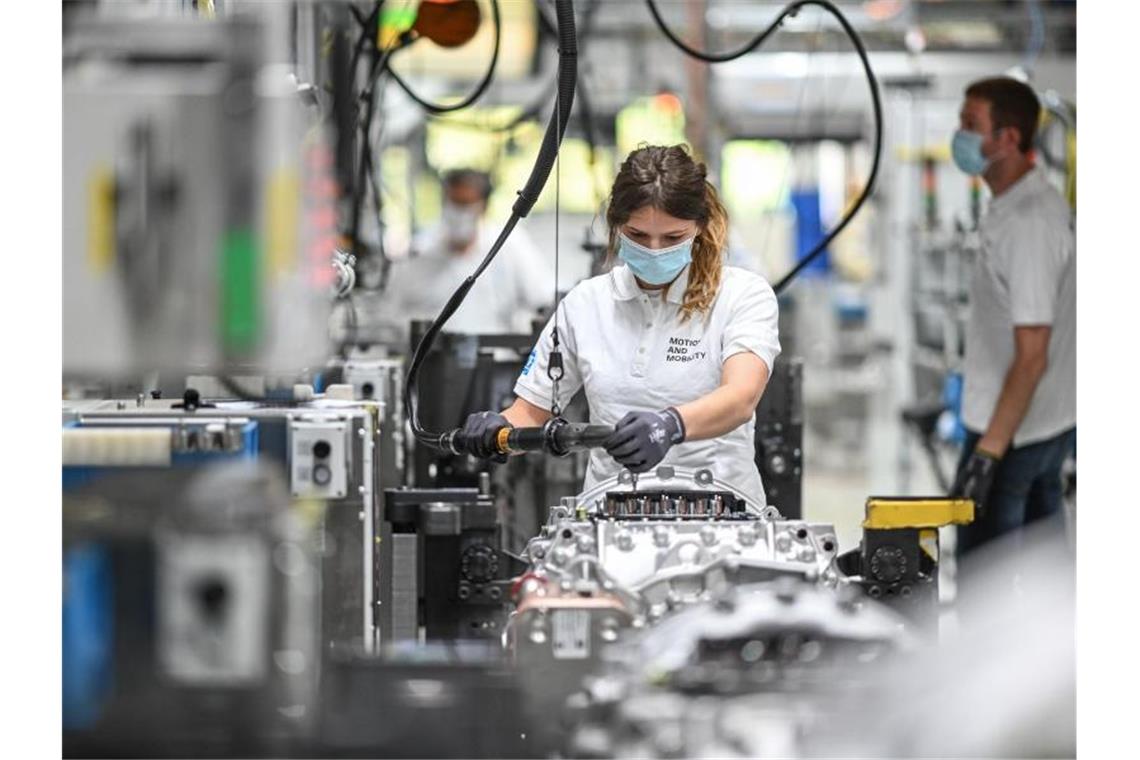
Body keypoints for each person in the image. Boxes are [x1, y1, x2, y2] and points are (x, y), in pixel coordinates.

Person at [460, 145, 781, 500]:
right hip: (609, 514)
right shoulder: (585, 304)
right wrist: (500, 430)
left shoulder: (742, 295)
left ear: (700, 228)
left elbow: (740, 397)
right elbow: (531, 411)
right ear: (615, 226)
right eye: (638, 236)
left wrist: (671, 425)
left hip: (722, 512)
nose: (655, 249)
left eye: (673, 238)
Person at [948, 77, 1076, 556]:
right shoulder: (1016, 206)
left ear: (1008, 139)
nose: (958, 135)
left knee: (987, 585)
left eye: (970, 124)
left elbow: (1032, 355)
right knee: (1039, 582)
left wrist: (987, 453)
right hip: (1036, 426)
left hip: (1013, 437)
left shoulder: (1029, 223)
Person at [381, 168, 552, 340]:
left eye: (466, 204)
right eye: (453, 202)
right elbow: (391, 314)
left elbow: (542, 299)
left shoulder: (511, 246)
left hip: (498, 358)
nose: (458, 213)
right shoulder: (419, 251)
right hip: (430, 360)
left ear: (483, 207)